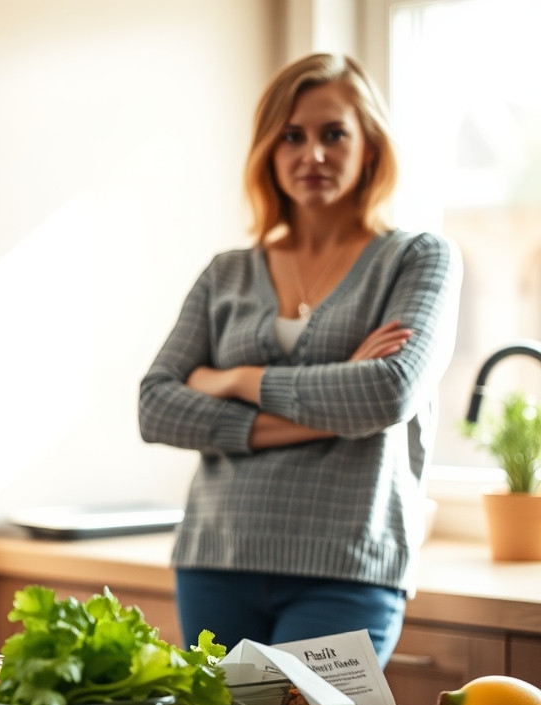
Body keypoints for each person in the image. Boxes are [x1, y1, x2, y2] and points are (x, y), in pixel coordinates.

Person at [138, 53, 462, 666]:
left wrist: (234, 379)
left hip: (346, 564)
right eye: (292, 135)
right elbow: (156, 406)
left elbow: (387, 393)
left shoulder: (419, 258)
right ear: (269, 151)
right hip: (217, 556)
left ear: (369, 147)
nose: (312, 153)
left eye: (333, 133)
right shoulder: (226, 273)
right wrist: (334, 406)